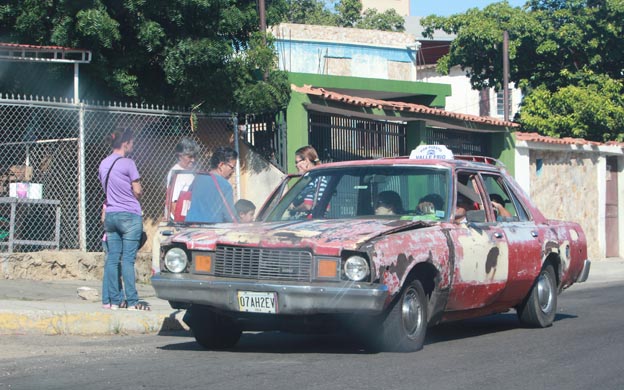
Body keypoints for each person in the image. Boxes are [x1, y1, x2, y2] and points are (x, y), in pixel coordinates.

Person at [98, 129, 149, 311]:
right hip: (129, 214)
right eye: (132, 142)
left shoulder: (104, 163)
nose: (133, 145)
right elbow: (138, 190)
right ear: (126, 142)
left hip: (111, 215)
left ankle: (113, 300)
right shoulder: (128, 163)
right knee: (128, 260)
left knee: (112, 259)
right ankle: (133, 302)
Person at [185, 146, 239, 223]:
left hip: (190, 228)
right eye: (232, 167)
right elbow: (229, 217)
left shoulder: (198, 178)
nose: (233, 171)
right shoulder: (225, 186)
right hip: (212, 231)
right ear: (221, 165)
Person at [167, 137, 199, 217]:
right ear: (180, 156)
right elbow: (173, 203)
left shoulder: (188, 172)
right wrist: (180, 224)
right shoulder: (177, 173)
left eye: (194, 156)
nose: (193, 160)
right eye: (190, 157)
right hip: (181, 222)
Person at [290, 145, 326, 213]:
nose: (296, 165)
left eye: (297, 162)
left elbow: (307, 205)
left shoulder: (313, 179)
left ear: (306, 161)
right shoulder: (313, 177)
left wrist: (293, 210)